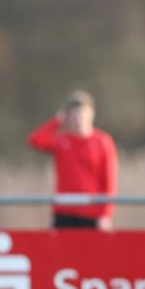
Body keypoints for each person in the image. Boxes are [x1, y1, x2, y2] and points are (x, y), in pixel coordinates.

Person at [27, 90, 117, 230]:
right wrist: (56, 121)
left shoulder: (103, 142)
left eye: (82, 113)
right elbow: (36, 140)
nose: (79, 119)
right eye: (74, 114)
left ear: (91, 114)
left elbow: (109, 181)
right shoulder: (62, 141)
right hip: (64, 212)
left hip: (91, 213)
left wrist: (105, 214)